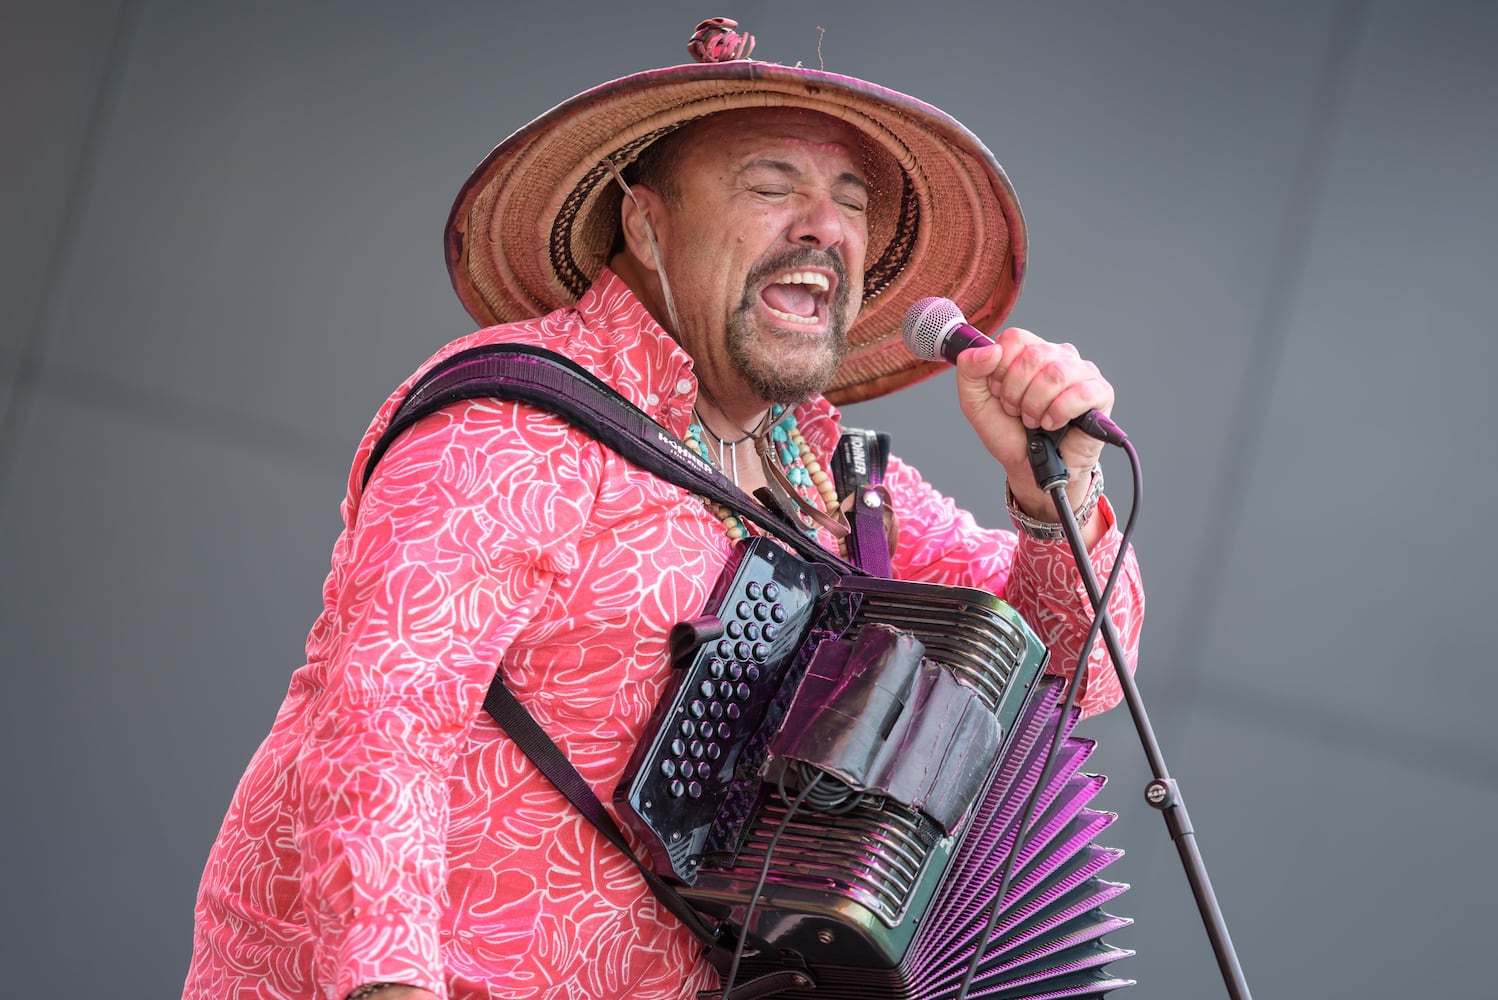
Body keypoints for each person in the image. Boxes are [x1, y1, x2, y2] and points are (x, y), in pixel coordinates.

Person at [183, 18, 1144, 1000]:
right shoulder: (513, 420)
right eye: (774, 185)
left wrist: (1053, 490)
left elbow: (1082, 675)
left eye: (850, 198)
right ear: (645, 226)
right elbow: (382, 734)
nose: (826, 226)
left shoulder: (841, 484)